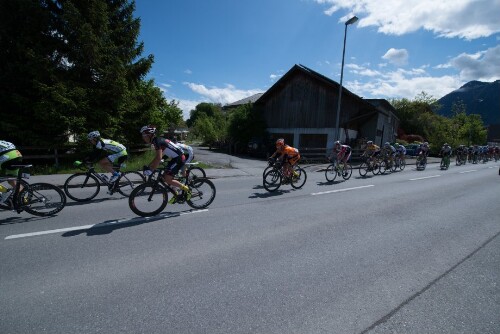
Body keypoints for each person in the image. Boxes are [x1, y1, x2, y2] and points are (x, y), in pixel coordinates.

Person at [140, 125, 190, 203]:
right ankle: (175, 192)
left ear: (149, 134)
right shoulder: (157, 140)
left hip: (179, 158)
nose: (143, 137)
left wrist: (151, 169)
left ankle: (187, 189)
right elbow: (159, 157)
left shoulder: (156, 141)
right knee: (164, 177)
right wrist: (150, 166)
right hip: (175, 158)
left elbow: (158, 158)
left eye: (144, 135)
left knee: (167, 178)